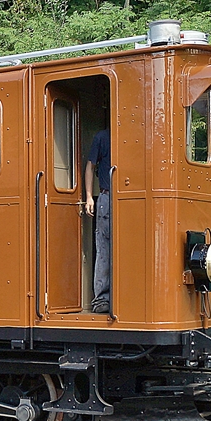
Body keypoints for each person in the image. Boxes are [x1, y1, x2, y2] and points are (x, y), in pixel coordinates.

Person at [84, 128, 111, 313]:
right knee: (103, 247)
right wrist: (88, 196)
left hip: (118, 197)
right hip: (106, 197)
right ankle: (101, 298)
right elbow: (90, 166)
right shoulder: (102, 136)